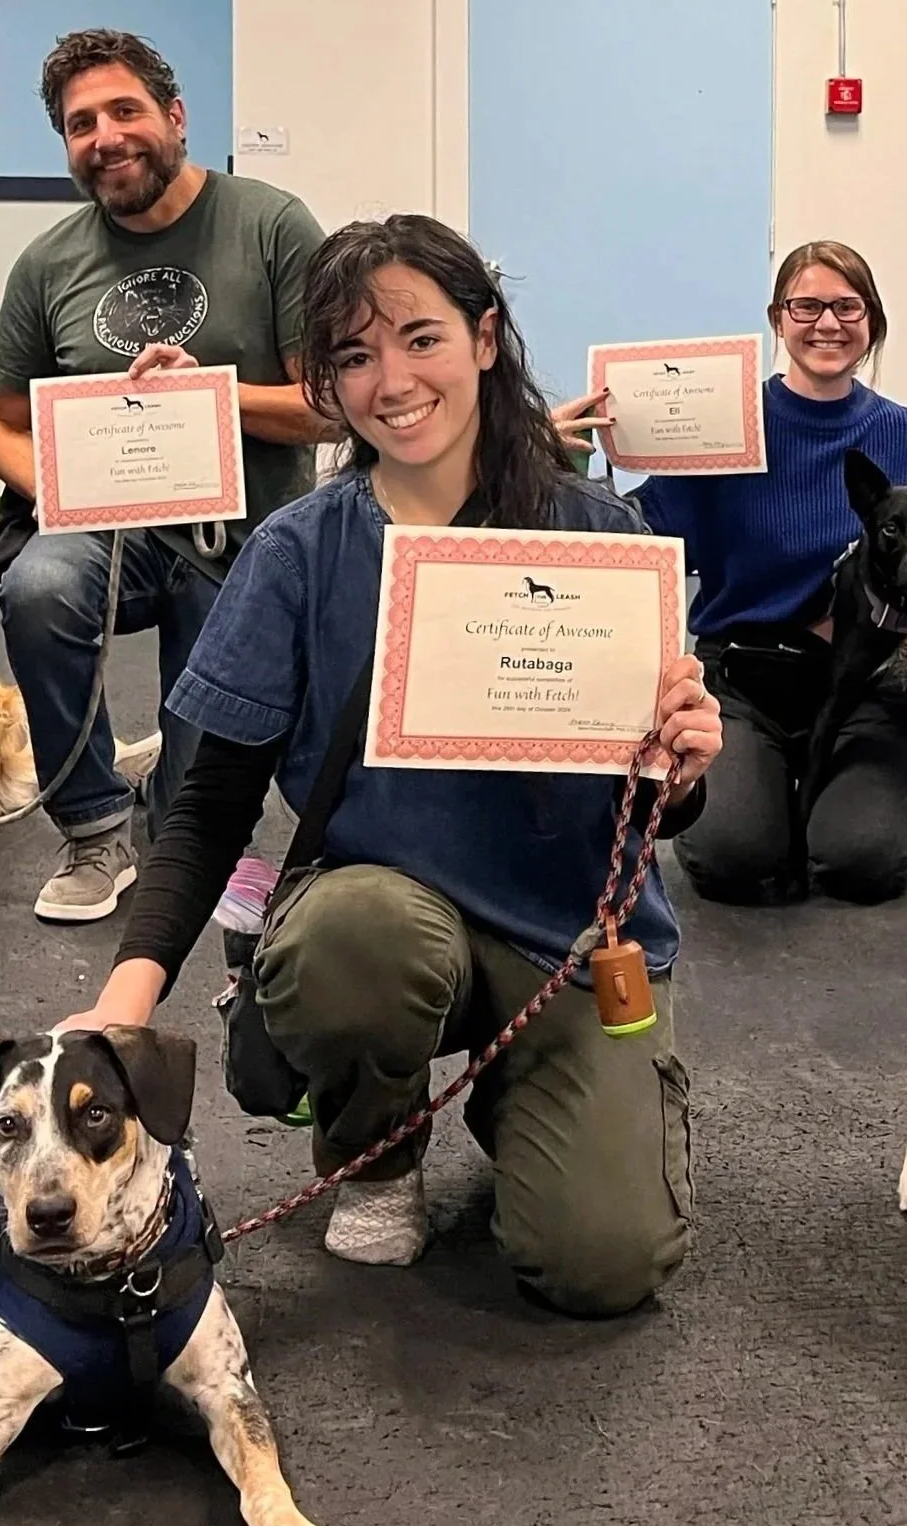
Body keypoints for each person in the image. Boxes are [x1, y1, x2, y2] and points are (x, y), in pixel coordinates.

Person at [60, 213, 722, 1318]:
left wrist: (683, 768)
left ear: (485, 338)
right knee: (353, 933)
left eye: (420, 338)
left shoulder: (600, 540)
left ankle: (534, 1093)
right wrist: (122, 1001)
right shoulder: (296, 552)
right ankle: (378, 1149)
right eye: (352, 356)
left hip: (567, 938)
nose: (390, 380)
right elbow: (211, 802)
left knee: (598, 1266)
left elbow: (653, 812)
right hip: (380, 928)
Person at [0, 28, 342, 922]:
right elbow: (1, 425)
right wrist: (57, 488)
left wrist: (213, 400)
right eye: (80, 124)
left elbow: (328, 403)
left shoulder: (271, 225)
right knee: (39, 586)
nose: (105, 136)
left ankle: (162, 800)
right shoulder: (47, 265)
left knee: (193, 821)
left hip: (248, 543)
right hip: (112, 535)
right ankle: (94, 827)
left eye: (125, 111)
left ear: (175, 117)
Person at [564, 240, 907, 906]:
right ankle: (768, 784)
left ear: (873, 321)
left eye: (847, 306)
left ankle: (833, 792)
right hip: (747, 681)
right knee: (734, 860)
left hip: (868, 688)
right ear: (777, 319)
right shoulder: (722, 429)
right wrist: (562, 470)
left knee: (864, 864)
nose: (828, 323)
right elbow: (633, 543)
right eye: (807, 305)